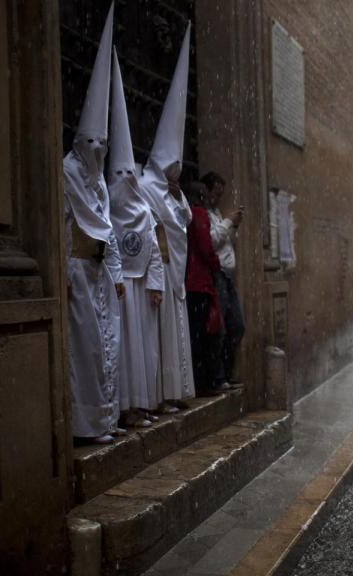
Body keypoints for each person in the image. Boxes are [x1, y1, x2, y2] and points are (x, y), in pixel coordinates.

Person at [64, 7, 124, 444]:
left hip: (101, 272)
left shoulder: (100, 177)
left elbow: (109, 224)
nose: (98, 150)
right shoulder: (69, 170)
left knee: (108, 345)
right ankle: (86, 424)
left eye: (103, 144)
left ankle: (106, 419)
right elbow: (89, 222)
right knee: (85, 346)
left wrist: (117, 271)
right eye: (93, 143)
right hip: (80, 270)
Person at [137, 25, 196, 407]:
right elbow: (157, 226)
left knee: (178, 333)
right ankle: (160, 394)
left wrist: (179, 198)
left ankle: (180, 391)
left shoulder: (173, 190)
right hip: (158, 271)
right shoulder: (144, 184)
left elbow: (185, 221)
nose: (175, 172)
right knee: (159, 338)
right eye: (171, 166)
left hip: (176, 277)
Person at [107, 52, 166, 427]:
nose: (129, 178)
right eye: (122, 172)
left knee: (142, 352)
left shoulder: (144, 211)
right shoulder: (107, 207)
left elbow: (155, 251)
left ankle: (142, 404)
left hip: (141, 289)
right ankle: (122, 408)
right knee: (122, 352)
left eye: (133, 173)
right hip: (119, 290)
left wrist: (156, 284)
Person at [202, 172, 245, 389]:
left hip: (227, 276)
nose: (218, 198)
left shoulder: (217, 213)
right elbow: (212, 242)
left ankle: (226, 373)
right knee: (219, 327)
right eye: (216, 193)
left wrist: (232, 225)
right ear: (207, 191)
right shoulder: (204, 216)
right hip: (217, 275)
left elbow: (228, 243)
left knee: (236, 325)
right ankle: (217, 377)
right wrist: (228, 222)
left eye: (221, 193)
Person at [185, 182, 225, 396]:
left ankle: (199, 381)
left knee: (196, 333)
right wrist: (215, 264)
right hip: (200, 283)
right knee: (206, 333)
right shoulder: (198, 214)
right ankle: (206, 382)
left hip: (191, 281)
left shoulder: (187, 214)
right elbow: (205, 246)